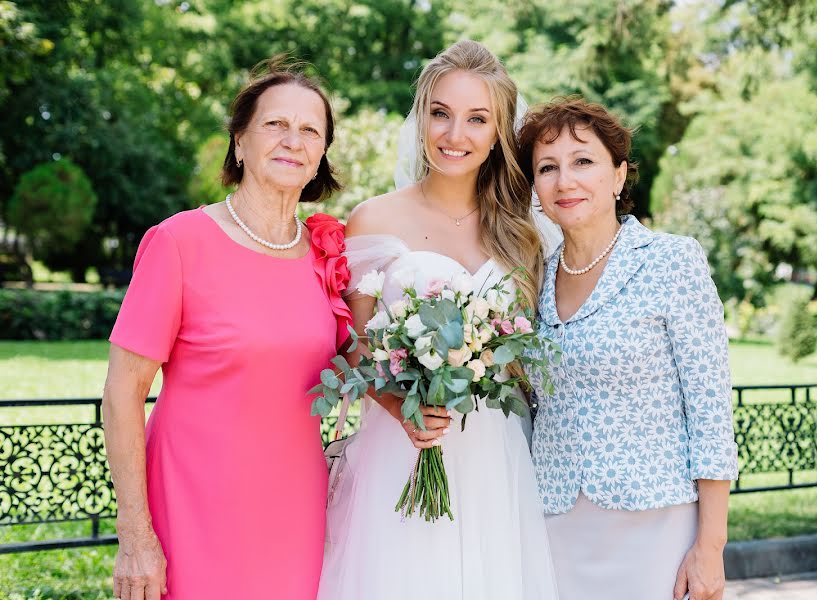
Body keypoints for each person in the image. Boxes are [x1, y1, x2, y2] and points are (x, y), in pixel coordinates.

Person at [102, 56, 351, 600]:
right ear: (239, 142)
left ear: (321, 156)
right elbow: (122, 394)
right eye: (275, 125)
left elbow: (358, 370)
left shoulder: (328, 256)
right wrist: (136, 537)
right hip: (194, 511)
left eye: (310, 130)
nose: (293, 140)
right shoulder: (179, 242)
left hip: (298, 514)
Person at [317, 40, 558, 600]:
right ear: (420, 115)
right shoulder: (374, 218)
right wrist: (405, 408)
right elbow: (354, 348)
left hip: (492, 456)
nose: (456, 136)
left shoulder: (521, 233)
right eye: (441, 114)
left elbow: (522, 358)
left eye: (478, 119)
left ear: (499, 130)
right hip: (400, 448)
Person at [518, 97, 739, 600]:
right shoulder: (533, 278)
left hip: (654, 525)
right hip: (555, 524)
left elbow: (709, 411)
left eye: (583, 162)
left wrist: (711, 545)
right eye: (547, 168)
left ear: (618, 176)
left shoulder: (671, 261)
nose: (564, 180)